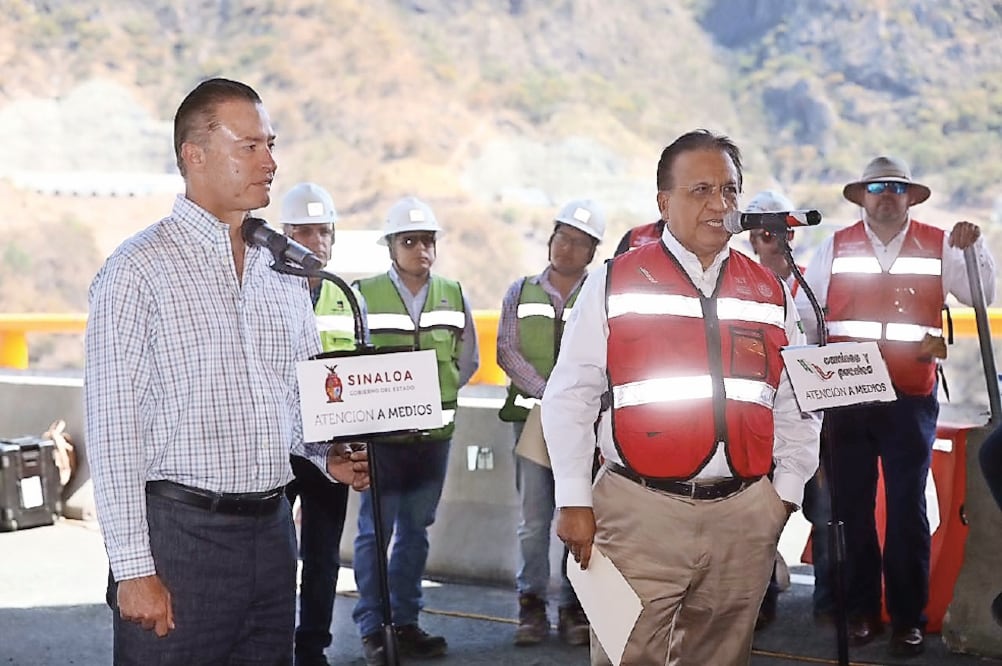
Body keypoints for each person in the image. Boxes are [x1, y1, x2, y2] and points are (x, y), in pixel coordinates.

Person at [84, 78, 369, 664]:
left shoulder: (284, 271)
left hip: (271, 534)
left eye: (271, 144)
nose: (271, 162)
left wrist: (325, 456)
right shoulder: (137, 270)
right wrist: (133, 569)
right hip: (179, 537)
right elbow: (114, 431)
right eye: (251, 146)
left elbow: (293, 404)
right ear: (196, 154)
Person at [542, 129, 821, 665]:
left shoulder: (771, 290)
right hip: (640, 512)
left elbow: (796, 402)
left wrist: (781, 497)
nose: (720, 204)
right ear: (664, 203)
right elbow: (570, 396)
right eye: (700, 190)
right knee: (630, 657)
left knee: (722, 656)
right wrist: (573, 499)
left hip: (743, 514)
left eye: (730, 190)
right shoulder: (613, 282)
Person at [795, 155, 997, 657]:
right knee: (852, 509)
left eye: (896, 188)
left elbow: (981, 293)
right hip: (847, 398)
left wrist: (978, 248)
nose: (886, 195)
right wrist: (818, 371)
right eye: (877, 187)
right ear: (861, 196)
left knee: (907, 510)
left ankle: (909, 618)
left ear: (910, 196)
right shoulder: (835, 247)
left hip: (910, 399)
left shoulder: (941, 244)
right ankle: (862, 612)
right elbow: (806, 313)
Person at [351, 196, 479, 666]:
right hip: (383, 442)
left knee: (416, 533)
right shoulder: (364, 295)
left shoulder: (453, 292)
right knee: (374, 534)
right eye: (410, 240)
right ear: (391, 247)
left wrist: (434, 397)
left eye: (428, 241)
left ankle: (405, 623)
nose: (421, 249)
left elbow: (468, 361)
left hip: (433, 440)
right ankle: (373, 629)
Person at [497, 199, 605, 647]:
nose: (567, 247)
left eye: (579, 242)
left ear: (591, 253)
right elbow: (507, 349)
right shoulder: (520, 291)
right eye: (562, 237)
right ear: (550, 240)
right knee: (535, 520)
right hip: (531, 424)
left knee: (582, 515)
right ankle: (532, 607)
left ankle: (575, 609)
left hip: (586, 428)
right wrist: (551, 394)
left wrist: (570, 404)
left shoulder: (599, 294)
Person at [280, 182, 369, 666]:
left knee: (322, 558)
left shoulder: (347, 299)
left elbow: (362, 374)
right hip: (280, 451)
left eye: (324, 232)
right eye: (304, 231)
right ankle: (271, 643)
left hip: (331, 450)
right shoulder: (266, 293)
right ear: (284, 235)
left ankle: (311, 648)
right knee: (275, 555)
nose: (316, 242)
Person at [745, 190, 833, 629]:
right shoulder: (734, 287)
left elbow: (819, 355)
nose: (773, 240)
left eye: (781, 230)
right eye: (764, 232)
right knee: (752, 514)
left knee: (816, 508)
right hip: (751, 417)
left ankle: (826, 602)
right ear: (750, 238)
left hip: (799, 415)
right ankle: (757, 601)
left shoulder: (808, 288)